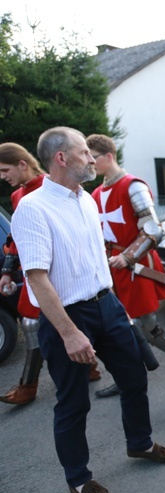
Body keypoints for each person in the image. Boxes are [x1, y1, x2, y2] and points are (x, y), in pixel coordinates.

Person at [12, 127, 165, 493]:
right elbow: (37, 278)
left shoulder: (86, 199)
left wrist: (114, 304)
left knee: (135, 379)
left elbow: (92, 258)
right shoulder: (33, 208)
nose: (91, 157)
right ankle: (79, 480)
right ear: (61, 158)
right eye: (84, 151)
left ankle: (141, 442)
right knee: (74, 402)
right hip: (67, 317)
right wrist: (70, 333)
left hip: (108, 306)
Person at [87, 134, 165, 398]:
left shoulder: (132, 186)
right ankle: (126, 378)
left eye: (93, 158)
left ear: (108, 156)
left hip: (135, 265)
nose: (89, 163)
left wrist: (127, 257)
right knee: (118, 327)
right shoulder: (95, 192)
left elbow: (152, 230)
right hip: (110, 267)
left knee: (145, 324)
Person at [0, 143, 103, 405]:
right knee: (35, 323)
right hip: (34, 269)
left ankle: (35, 383)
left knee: (52, 321)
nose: (3, 177)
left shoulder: (55, 188)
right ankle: (33, 384)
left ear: (23, 164)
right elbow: (16, 239)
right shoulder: (18, 196)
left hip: (62, 271)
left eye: (4, 170)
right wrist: (7, 272)